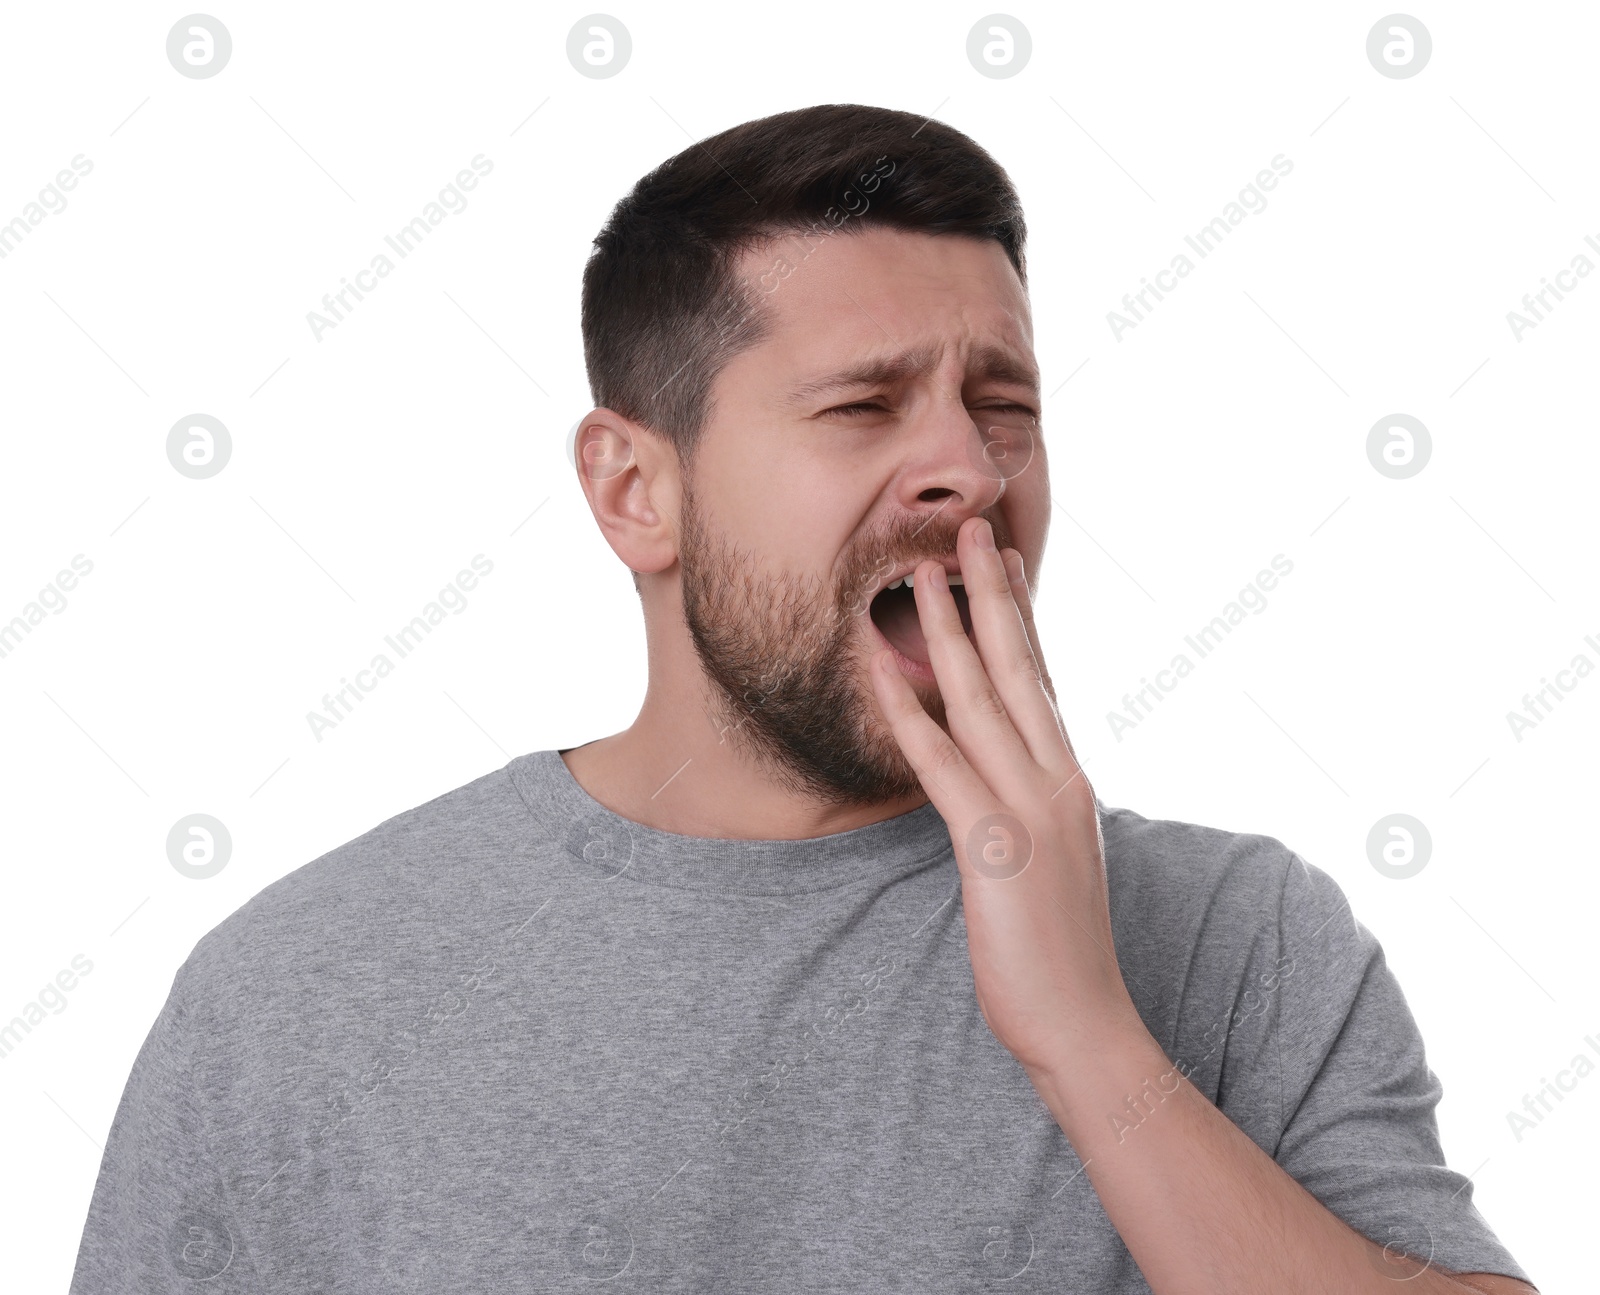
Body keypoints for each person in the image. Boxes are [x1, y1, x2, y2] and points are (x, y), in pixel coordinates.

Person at [69, 103, 1536, 1293]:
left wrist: (1091, 1041)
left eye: (1004, 405)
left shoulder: (1240, 942)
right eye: (864, 406)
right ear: (636, 492)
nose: (969, 468)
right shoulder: (300, 994)